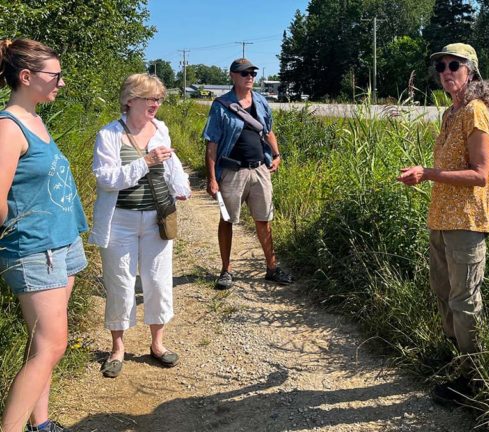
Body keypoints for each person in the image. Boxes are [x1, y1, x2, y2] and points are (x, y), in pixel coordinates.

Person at [397, 43, 489, 406]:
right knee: (444, 293)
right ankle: (459, 361)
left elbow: (480, 174)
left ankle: (476, 380)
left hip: (467, 221)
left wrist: (428, 173)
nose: (446, 72)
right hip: (441, 218)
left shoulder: (475, 112)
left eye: (454, 65)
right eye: (440, 67)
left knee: (464, 300)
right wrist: (425, 175)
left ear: (471, 71)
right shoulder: (450, 113)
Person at [0, 38, 88, 432]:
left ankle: (41, 423)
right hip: (36, 249)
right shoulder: (8, 127)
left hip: (62, 242)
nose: (61, 83)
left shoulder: (35, 119)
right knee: (52, 345)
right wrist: (23, 229)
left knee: (44, 346)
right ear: (26, 76)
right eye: (55, 75)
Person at [89, 73, 191, 379]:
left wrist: (180, 187)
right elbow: (106, 179)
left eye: (159, 99)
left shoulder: (161, 129)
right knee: (120, 282)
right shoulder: (109, 135)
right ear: (130, 100)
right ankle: (117, 348)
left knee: (158, 281)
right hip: (119, 220)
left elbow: (170, 165)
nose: (156, 104)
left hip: (157, 218)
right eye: (151, 98)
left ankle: (157, 344)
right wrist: (145, 162)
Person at [203, 58, 293, 289]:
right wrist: (212, 178)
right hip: (232, 172)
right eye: (244, 73)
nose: (250, 77)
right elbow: (212, 144)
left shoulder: (261, 101)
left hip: (260, 169)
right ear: (232, 76)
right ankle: (226, 271)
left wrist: (277, 155)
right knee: (227, 220)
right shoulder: (221, 105)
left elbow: (268, 131)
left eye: (253, 73)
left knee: (264, 219)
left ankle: (272, 268)